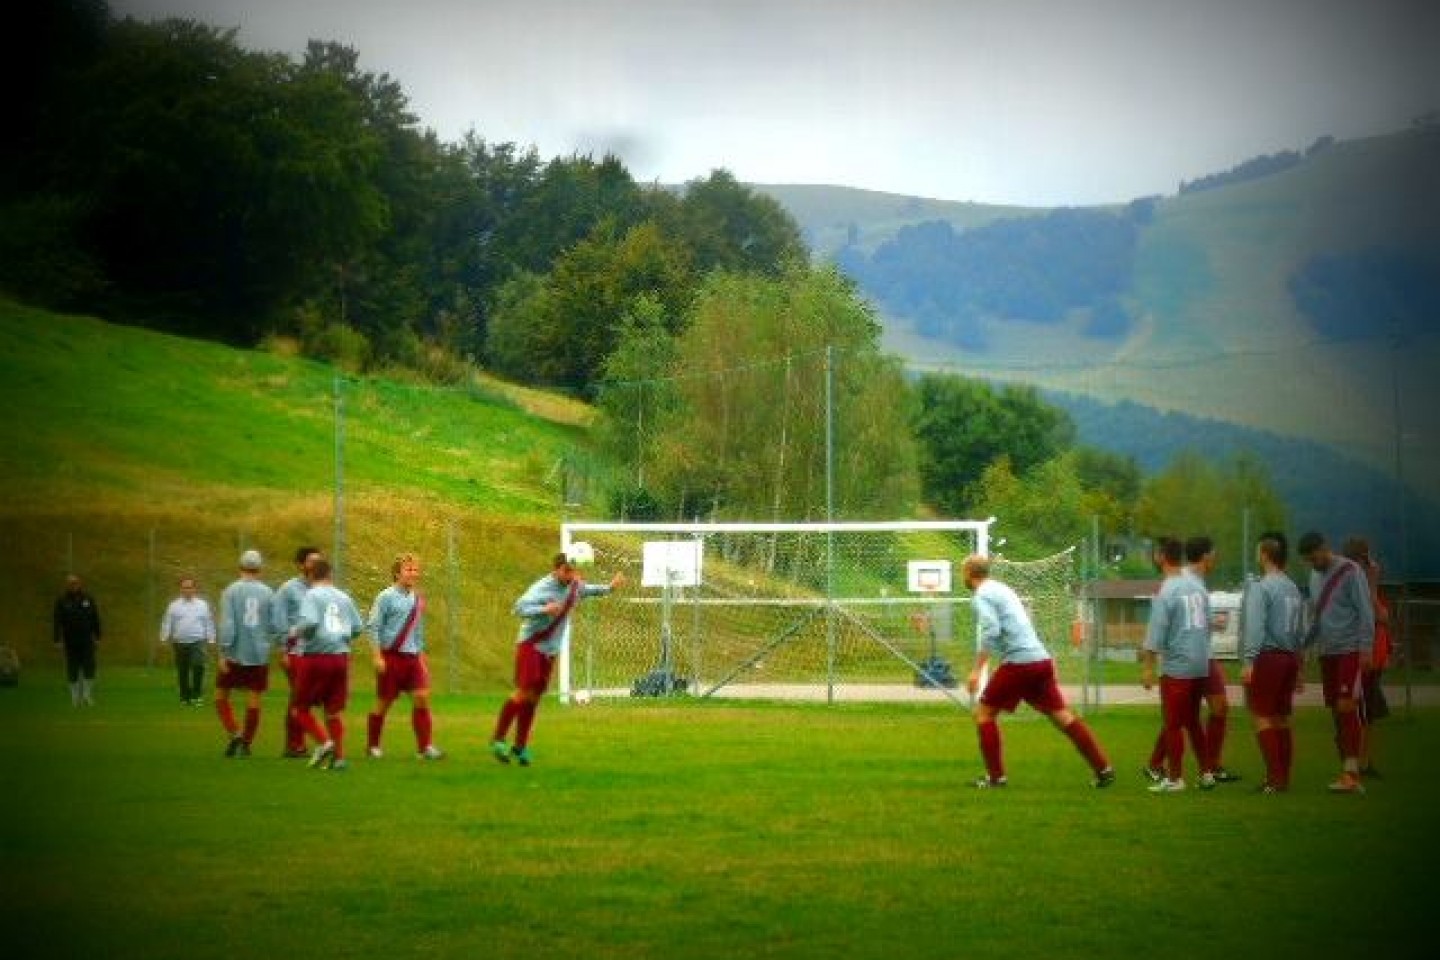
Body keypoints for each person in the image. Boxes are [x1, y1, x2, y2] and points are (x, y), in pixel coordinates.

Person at [962, 554, 1115, 789]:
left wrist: (976, 671)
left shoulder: (981, 595)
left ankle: (996, 778)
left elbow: (991, 630)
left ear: (969, 574)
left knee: (984, 714)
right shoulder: (1003, 589)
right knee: (1062, 716)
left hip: (1020, 663)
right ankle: (1103, 769)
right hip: (1041, 660)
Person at [490, 551, 624, 766]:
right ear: (556, 570)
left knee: (534, 697)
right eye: (566, 571)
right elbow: (518, 608)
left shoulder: (574, 586)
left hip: (550, 649)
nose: (570, 575)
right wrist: (544, 609)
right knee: (523, 692)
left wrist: (610, 587)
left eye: (573, 570)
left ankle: (521, 746)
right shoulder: (542, 588)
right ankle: (498, 739)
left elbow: (588, 591)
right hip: (531, 644)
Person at [1143, 536, 1240, 784]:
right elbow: (1204, 624)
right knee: (1193, 722)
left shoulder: (1168, 590)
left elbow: (1156, 632)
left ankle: (1174, 779)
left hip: (1179, 666)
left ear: (1160, 557)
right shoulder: (1197, 586)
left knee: (1174, 724)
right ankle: (1206, 772)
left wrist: (1148, 667)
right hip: (1200, 664)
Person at [1297, 530, 1374, 794]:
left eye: (1314, 557)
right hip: (1327, 653)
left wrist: (1366, 649)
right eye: (1308, 560)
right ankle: (1347, 770)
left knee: (1346, 706)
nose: (1313, 563)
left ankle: (1352, 773)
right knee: (1335, 711)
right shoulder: (1314, 577)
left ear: (1324, 547)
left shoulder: (1351, 571)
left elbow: (1366, 611)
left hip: (1350, 650)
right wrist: (1303, 646)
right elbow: (1316, 619)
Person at [1239, 532, 1305, 793]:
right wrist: (1298, 665)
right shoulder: (1292, 587)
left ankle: (1274, 779)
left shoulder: (1262, 586)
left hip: (1268, 657)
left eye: (1259, 552)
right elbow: (1301, 629)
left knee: (1262, 717)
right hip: (1289, 658)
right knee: (1281, 718)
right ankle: (1283, 777)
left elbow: (1255, 627)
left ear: (1264, 555)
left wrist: (1248, 661)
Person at [365, 552, 443, 760]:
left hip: (411, 659)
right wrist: (377, 656)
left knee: (421, 697)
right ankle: (373, 746)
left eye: (416, 570)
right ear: (397, 573)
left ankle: (425, 748)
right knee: (384, 703)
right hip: (390, 657)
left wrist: (421, 658)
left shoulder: (418, 600)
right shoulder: (385, 597)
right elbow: (373, 627)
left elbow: (417, 631)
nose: (413, 573)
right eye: (409, 570)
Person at [292, 558, 364, 771]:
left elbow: (311, 622)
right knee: (333, 711)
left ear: (311, 576)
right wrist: (341, 636)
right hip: (340, 657)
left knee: (301, 709)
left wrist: (295, 631)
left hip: (317, 656)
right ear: (330, 575)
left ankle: (325, 743)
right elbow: (358, 627)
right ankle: (339, 758)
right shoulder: (343, 596)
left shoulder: (311, 595)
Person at [215, 550, 277, 758]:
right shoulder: (268, 592)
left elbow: (228, 623)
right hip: (258, 652)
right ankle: (247, 742)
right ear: (260, 570)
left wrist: (223, 651)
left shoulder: (231, 591)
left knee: (221, 695)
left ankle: (235, 733)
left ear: (240, 568)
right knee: (254, 696)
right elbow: (273, 624)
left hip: (234, 650)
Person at [1342, 536, 1390, 780]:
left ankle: (1364, 759)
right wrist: (1372, 584)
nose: (1375, 565)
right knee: (1361, 711)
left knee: (1368, 712)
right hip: (1366, 657)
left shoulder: (1361, 583)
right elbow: (1379, 615)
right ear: (1361, 560)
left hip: (1375, 656)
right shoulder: (1361, 586)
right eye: (1369, 559)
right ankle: (1358, 760)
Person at [272, 546, 322, 757]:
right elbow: (279, 622)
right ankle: (294, 745)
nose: (316, 565)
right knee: (300, 698)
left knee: (304, 699)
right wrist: (284, 651)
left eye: (319, 561)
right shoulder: (288, 589)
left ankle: (295, 744)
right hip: (295, 652)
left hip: (316, 653)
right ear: (301, 565)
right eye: (311, 561)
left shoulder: (322, 590)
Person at [159, 575, 216, 706]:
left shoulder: (202, 605)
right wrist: (164, 637)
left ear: (194, 589)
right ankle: (184, 696)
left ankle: (197, 695)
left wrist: (211, 638)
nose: (187, 590)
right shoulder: (174, 606)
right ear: (180, 589)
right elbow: (167, 622)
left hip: (198, 641)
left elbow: (208, 622)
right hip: (179, 642)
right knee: (182, 670)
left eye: (190, 587)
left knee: (198, 666)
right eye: (184, 588)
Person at [53, 574, 101, 706]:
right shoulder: (62, 601)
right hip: (70, 640)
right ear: (67, 586)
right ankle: (74, 697)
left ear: (80, 584)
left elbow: (95, 618)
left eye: (76, 583)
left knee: (89, 667)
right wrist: (57, 640)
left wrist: (97, 636)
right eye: (71, 584)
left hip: (86, 640)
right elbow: (57, 621)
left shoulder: (88, 599)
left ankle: (87, 695)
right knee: (72, 669)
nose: (74, 586)